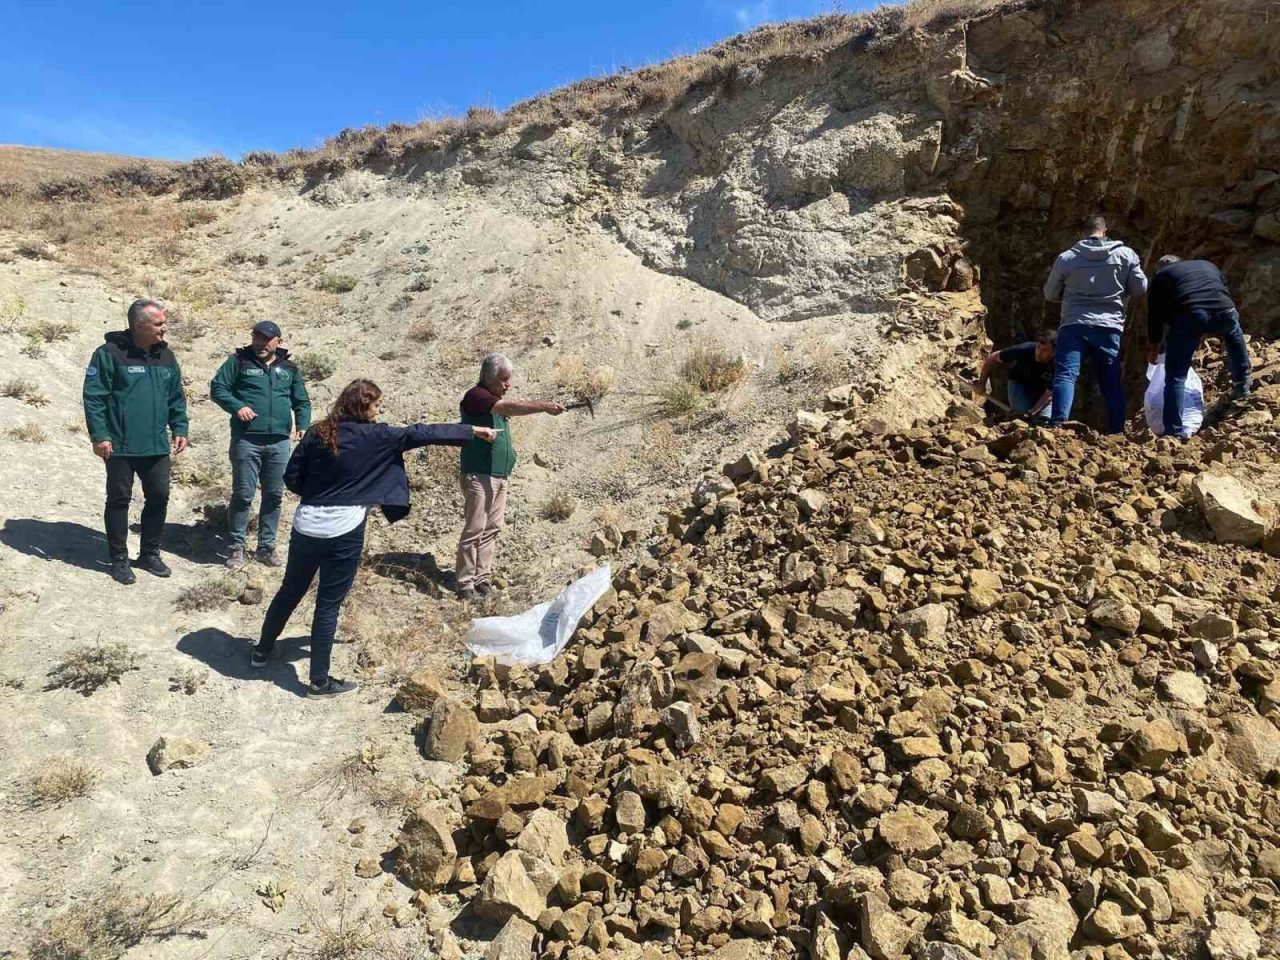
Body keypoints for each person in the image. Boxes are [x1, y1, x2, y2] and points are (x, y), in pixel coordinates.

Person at [253, 379, 495, 698]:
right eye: (375, 405)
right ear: (363, 406)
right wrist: (471, 431)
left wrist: (317, 494)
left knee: (290, 590)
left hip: (307, 523)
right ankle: (318, 682)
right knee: (327, 604)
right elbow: (419, 433)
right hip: (344, 527)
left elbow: (291, 477)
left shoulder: (317, 432)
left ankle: (261, 652)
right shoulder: (378, 436)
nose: (378, 411)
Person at [82, 299, 189, 585]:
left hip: (156, 444)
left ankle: (149, 553)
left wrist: (180, 427)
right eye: (159, 324)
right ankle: (118, 558)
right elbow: (95, 398)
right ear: (139, 325)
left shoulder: (166, 357)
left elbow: (176, 397)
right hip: (119, 444)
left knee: (159, 496)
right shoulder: (108, 354)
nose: (164, 328)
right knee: (119, 499)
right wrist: (100, 435)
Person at [455, 353, 565, 602]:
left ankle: (481, 578)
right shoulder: (477, 396)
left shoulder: (492, 400)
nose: (508, 384)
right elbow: (509, 407)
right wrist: (545, 406)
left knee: (492, 528)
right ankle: (464, 584)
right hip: (480, 473)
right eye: (504, 379)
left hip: (498, 475)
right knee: (475, 528)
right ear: (489, 377)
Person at [209, 320, 312, 570]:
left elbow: (302, 400)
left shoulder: (289, 368)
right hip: (247, 440)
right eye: (257, 338)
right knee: (243, 495)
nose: (260, 343)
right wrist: (238, 406)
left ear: (278, 341)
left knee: (274, 495)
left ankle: (266, 547)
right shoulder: (239, 362)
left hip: (279, 443)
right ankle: (236, 547)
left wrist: (303, 424)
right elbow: (218, 388)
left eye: (266, 339)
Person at [1043, 215, 1148, 433]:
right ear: (1105, 231)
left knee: (1066, 374)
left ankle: (1056, 425)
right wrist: (1120, 290)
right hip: (1109, 326)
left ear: (1082, 233)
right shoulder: (1125, 254)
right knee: (1110, 380)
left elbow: (1050, 293)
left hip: (1074, 324)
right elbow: (1140, 288)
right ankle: (1117, 431)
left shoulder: (1067, 258)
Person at [1147, 255, 1251, 439]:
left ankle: (1174, 432)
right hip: (1225, 308)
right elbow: (1221, 290)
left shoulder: (1162, 277)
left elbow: (1155, 316)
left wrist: (1154, 347)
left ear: (1160, 269)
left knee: (1176, 376)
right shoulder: (1207, 264)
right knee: (1234, 336)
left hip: (1191, 316)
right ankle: (1242, 386)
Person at [975, 329, 1057, 420]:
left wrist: (1031, 413)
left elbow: (1049, 394)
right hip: (1019, 385)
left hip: (1044, 392)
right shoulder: (1026, 349)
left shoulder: (1059, 364)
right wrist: (981, 383)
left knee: (1045, 422)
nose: (1039, 352)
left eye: (1044, 350)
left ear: (1054, 352)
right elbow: (993, 357)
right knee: (1021, 420)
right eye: (1038, 347)